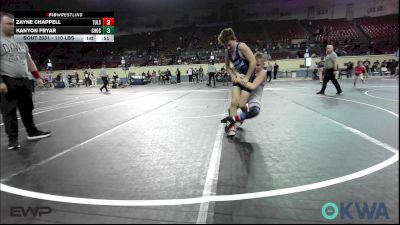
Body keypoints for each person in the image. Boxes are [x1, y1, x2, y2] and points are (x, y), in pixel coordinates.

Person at [0, 11, 51, 150]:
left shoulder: (20, 40)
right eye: (9, 24)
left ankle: (32, 132)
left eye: (14, 24)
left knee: (27, 108)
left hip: (24, 79)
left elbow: (28, 60)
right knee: (9, 111)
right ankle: (13, 140)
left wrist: (37, 77)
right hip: (7, 79)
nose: (13, 26)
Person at [218, 28, 256, 136]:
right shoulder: (228, 52)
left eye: (229, 44)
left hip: (249, 77)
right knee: (234, 102)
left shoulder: (242, 47)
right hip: (238, 78)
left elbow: (253, 61)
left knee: (242, 104)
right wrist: (233, 75)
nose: (228, 47)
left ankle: (244, 112)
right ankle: (232, 127)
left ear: (234, 39)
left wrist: (247, 77)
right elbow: (227, 67)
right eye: (225, 46)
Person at [220, 52, 267, 136]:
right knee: (231, 109)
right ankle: (237, 120)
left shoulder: (263, 72)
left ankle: (233, 119)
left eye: (258, 65)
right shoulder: (249, 70)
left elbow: (252, 86)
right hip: (244, 97)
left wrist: (239, 80)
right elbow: (234, 69)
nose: (255, 67)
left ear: (263, 64)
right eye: (254, 64)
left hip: (253, 99)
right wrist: (235, 75)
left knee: (255, 111)